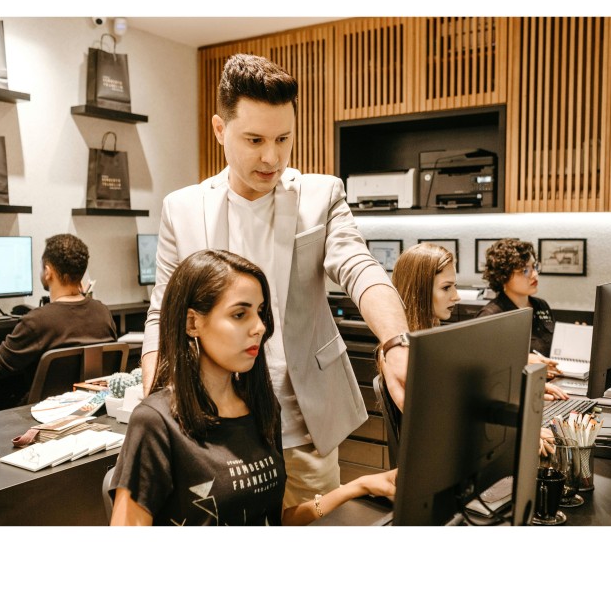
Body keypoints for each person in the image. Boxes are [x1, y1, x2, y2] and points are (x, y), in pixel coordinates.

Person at [141, 54, 410, 511]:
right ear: (219, 130)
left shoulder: (320, 194)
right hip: (215, 427)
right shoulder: (182, 209)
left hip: (303, 424)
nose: (272, 157)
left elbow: (360, 267)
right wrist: (155, 402)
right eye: (255, 139)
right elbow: (163, 309)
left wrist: (397, 342)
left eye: (284, 138)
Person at [111, 250, 397, 525]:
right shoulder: (155, 423)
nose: (259, 327)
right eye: (239, 314)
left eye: (260, 313)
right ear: (192, 323)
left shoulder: (261, 407)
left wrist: (356, 487)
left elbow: (274, 520)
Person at [389, 242, 556, 456]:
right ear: (420, 290)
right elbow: (443, 419)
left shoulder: (436, 341)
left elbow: (468, 399)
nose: (456, 296)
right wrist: (521, 429)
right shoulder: (404, 355)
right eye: (446, 287)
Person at [0, 233, 118, 382]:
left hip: (45, 408)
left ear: (48, 272)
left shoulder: (37, 321)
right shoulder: (103, 313)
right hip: (92, 405)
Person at [476, 238, 568, 402]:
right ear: (503, 276)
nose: (534, 274)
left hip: (553, 386)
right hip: (515, 396)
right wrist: (523, 360)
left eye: (535, 267)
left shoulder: (541, 305)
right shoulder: (491, 315)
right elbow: (484, 369)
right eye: (525, 270)